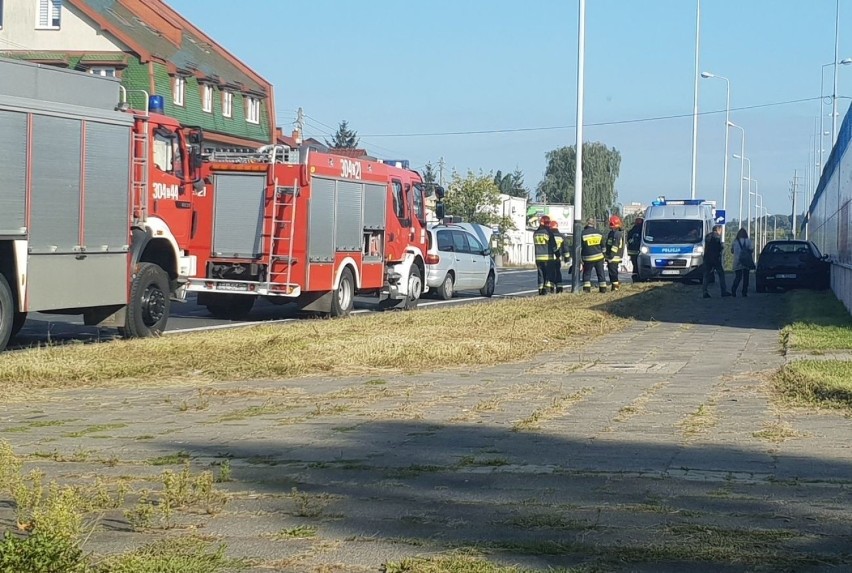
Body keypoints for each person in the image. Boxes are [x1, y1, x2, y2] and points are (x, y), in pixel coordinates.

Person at [702, 224, 731, 299]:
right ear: (718, 230)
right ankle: (723, 291)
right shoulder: (717, 237)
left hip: (707, 258)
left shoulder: (707, 236)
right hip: (715, 259)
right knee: (721, 274)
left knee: (706, 275)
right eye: (720, 230)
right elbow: (719, 248)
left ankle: (704, 291)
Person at [581, 217, 609, 293]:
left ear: (587, 224)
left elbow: (580, 247)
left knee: (587, 274)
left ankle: (586, 290)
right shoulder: (599, 233)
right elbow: (603, 246)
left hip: (588, 258)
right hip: (599, 257)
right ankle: (603, 289)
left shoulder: (583, 233)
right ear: (593, 224)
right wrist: (604, 255)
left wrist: (580, 258)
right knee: (601, 273)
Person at [533, 215, 557, 295]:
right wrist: (557, 254)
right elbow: (554, 246)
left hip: (538, 258)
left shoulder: (535, 233)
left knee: (540, 274)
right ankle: (547, 289)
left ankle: (540, 290)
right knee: (549, 274)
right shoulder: (549, 233)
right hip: (548, 258)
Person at [730, 227, 755, 297]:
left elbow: (732, 251)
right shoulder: (748, 241)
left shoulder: (735, 242)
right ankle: (744, 292)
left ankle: (733, 290)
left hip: (737, 261)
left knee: (738, 277)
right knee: (746, 278)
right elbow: (751, 250)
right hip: (746, 262)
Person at [604, 215, 625, 291]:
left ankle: (615, 287)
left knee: (613, 272)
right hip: (611, 256)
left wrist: (610, 256)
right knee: (611, 272)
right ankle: (614, 286)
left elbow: (615, 246)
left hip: (614, 257)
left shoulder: (617, 234)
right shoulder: (612, 233)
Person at [549, 220, 565, 293]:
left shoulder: (548, 235)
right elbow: (565, 248)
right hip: (557, 258)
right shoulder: (561, 236)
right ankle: (559, 289)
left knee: (550, 273)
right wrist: (567, 258)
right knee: (558, 273)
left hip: (549, 258)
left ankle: (550, 289)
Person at [626, 216, 643, 282]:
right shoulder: (642, 230)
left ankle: (635, 278)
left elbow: (628, 240)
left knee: (635, 266)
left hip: (632, 252)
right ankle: (638, 278)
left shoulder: (631, 230)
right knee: (638, 266)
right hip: (638, 251)